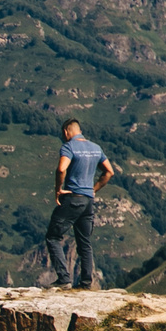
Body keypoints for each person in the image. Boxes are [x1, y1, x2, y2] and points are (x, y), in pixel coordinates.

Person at [44, 119, 116, 289]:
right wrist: (94, 189)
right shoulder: (95, 148)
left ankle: (63, 279)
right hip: (88, 201)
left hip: (72, 198)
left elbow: (62, 168)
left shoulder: (69, 147)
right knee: (84, 242)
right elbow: (109, 172)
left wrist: (58, 189)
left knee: (53, 237)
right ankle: (86, 283)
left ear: (66, 132)